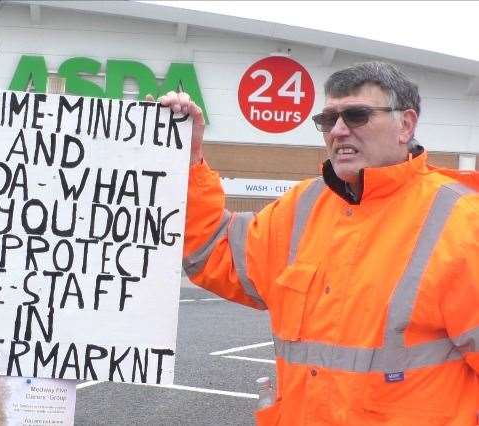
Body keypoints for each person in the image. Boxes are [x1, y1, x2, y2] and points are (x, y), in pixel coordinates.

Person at [159, 61, 478, 425]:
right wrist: (186, 161)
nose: (339, 130)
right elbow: (215, 252)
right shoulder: (302, 207)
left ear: (405, 125)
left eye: (356, 115)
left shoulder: (463, 223)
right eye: (328, 120)